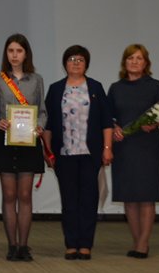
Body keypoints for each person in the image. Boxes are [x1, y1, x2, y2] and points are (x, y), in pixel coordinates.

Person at [43, 45, 113, 260]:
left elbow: (106, 122)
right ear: (65, 63)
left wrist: (107, 148)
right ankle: (71, 243)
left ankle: (85, 244)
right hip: (64, 154)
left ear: (86, 64)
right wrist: (47, 150)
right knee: (69, 200)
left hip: (90, 154)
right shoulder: (56, 89)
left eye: (80, 59)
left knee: (89, 200)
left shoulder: (95, 87)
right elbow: (48, 124)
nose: (75, 63)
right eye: (71, 59)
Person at [108, 44, 159, 259]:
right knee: (129, 197)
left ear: (146, 63)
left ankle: (143, 243)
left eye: (139, 58)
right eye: (130, 58)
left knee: (146, 196)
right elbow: (108, 116)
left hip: (148, 147)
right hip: (124, 147)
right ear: (124, 62)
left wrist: (155, 123)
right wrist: (114, 127)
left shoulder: (154, 86)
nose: (134, 62)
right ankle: (137, 242)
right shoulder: (115, 88)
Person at [0, 34, 47, 261]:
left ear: (26, 54)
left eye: (19, 51)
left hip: (28, 142)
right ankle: (11, 245)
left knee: (24, 195)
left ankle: (24, 245)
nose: (14, 55)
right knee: (9, 195)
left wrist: (40, 126)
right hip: (5, 141)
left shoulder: (37, 80)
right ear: (6, 53)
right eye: (11, 51)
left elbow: (42, 111)